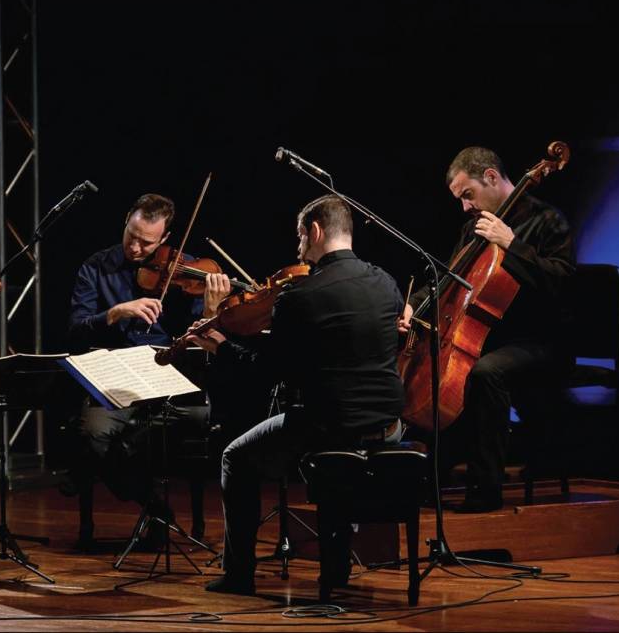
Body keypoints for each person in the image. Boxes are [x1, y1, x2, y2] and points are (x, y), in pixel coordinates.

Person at [188, 194, 406, 596]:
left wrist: (220, 345)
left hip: (330, 427)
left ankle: (238, 575)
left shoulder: (301, 296)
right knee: (330, 425)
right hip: (389, 424)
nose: (299, 248)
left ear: (315, 231)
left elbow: (265, 373)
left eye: (300, 237)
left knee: (235, 457)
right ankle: (336, 571)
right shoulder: (386, 282)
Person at [399, 146, 575, 513]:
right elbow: (448, 280)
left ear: (491, 177)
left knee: (484, 373)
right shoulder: (474, 228)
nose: (466, 206)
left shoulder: (547, 221)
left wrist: (511, 244)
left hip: (539, 340)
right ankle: (426, 478)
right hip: (488, 338)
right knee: (436, 369)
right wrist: (415, 304)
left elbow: (563, 284)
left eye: (469, 194)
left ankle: (485, 490)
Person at [66, 192, 230, 548]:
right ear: (126, 219)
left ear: (165, 238)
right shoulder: (96, 267)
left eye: (147, 242)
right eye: (132, 235)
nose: (136, 248)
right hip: (117, 376)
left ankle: (102, 467)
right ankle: (156, 507)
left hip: (169, 374)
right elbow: (76, 330)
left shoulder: (190, 271)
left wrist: (211, 310)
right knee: (93, 432)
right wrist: (115, 312)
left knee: (195, 417)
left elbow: (204, 341)